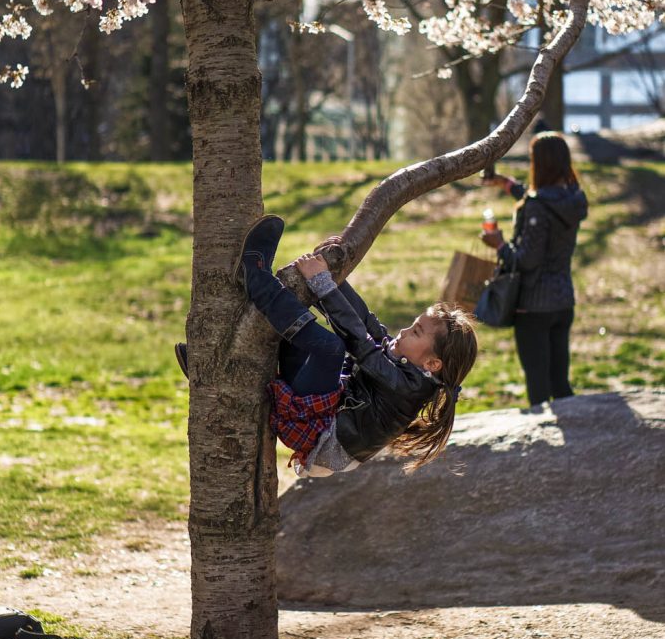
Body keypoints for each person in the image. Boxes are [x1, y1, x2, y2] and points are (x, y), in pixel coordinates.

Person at [176, 215, 478, 477]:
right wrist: (335, 276)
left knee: (330, 348)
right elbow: (370, 325)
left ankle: (255, 276)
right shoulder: (409, 367)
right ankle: (222, 376)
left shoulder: (407, 388)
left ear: (432, 364)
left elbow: (361, 344)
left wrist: (323, 283)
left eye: (416, 332)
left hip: (322, 436)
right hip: (328, 409)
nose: (404, 331)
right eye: (413, 324)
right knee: (296, 337)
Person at [480, 131, 588, 407]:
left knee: (538, 388)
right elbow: (541, 202)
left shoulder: (537, 208)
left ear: (540, 164)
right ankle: (580, 442)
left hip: (534, 307)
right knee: (560, 384)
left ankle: (546, 448)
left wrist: (500, 244)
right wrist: (507, 184)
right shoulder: (573, 199)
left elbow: (527, 259)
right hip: (563, 302)